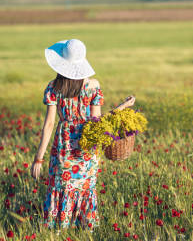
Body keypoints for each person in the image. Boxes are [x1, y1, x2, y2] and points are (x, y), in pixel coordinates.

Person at [31, 38, 135, 230]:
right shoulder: (93, 86)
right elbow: (98, 122)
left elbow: (49, 124)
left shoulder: (53, 87)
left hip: (63, 146)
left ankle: (58, 229)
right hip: (87, 145)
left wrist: (38, 158)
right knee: (84, 188)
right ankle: (85, 229)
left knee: (61, 188)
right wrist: (121, 108)